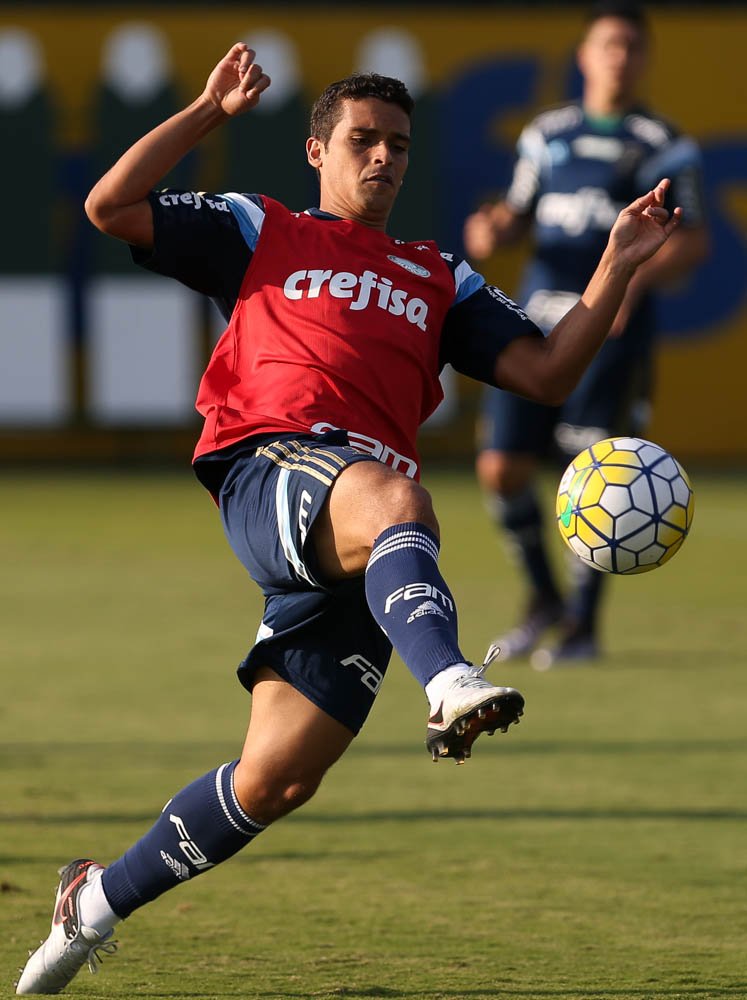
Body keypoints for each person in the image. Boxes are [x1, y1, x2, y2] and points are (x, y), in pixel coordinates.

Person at [16, 39, 682, 995]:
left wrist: (616, 262)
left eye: (398, 145)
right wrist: (208, 112)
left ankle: (93, 903)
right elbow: (109, 206)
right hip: (271, 466)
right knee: (399, 494)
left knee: (275, 780)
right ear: (317, 152)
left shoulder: (435, 274)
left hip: (358, 536)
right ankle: (449, 678)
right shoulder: (261, 228)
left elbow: (546, 371)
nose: (382, 158)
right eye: (363, 140)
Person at [463, 0, 708, 668]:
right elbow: (517, 213)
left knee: (597, 472)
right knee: (500, 467)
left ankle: (581, 630)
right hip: (538, 320)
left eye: (631, 46)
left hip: (612, 329)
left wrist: (635, 280)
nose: (618, 57)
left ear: (644, 58)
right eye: (607, 44)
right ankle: (544, 599)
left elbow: (689, 241)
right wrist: (494, 230)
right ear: (584, 55)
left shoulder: (662, 145)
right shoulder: (546, 135)